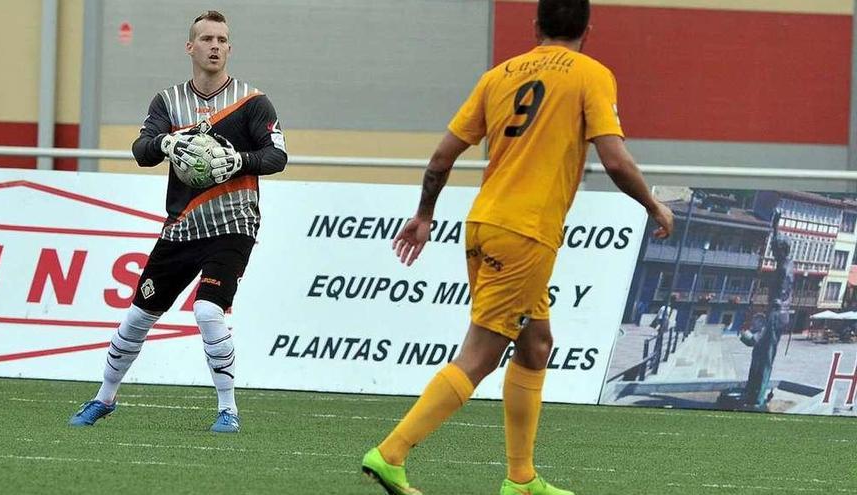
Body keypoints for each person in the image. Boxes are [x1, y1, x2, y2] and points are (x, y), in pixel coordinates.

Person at [360, 1, 673, 493]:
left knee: (535, 344)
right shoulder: (592, 74)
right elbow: (613, 159)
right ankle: (391, 453)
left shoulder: (499, 76)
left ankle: (521, 480)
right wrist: (653, 204)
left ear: (536, 26)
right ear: (588, 28)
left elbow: (442, 157)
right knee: (482, 353)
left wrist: (424, 214)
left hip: (484, 222)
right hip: (526, 234)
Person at [69, 10, 287, 433]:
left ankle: (228, 409)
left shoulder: (252, 101)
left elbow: (277, 156)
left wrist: (237, 159)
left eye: (222, 39)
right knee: (137, 316)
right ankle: (104, 398)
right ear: (190, 47)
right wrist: (167, 142)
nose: (215, 46)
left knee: (208, 310)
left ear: (230, 47)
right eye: (206, 39)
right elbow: (141, 149)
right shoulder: (168, 102)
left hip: (234, 222)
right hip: (183, 226)